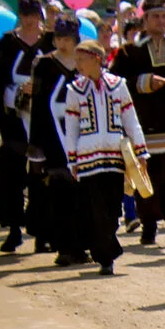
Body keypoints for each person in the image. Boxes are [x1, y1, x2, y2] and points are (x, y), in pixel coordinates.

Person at [110, 0, 165, 247]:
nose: (160, 21)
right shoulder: (128, 52)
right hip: (143, 126)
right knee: (146, 180)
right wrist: (142, 82)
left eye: (164, 16)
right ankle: (149, 226)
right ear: (144, 19)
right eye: (155, 16)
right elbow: (115, 85)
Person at [61, 39, 147, 275]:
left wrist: (140, 152)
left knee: (112, 206)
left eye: (81, 59)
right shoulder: (74, 90)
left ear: (96, 59)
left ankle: (107, 247)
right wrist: (72, 159)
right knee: (96, 207)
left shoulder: (118, 85)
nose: (77, 64)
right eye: (76, 60)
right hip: (88, 158)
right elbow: (72, 127)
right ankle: (106, 255)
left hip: (114, 157)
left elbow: (131, 120)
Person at [0, 0, 47, 253]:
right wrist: (11, 95)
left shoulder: (50, 41)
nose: (30, 20)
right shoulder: (7, 43)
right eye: (26, 15)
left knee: (41, 174)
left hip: (43, 119)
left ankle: (43, 230)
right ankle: (13, 229)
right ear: (20, 16)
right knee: (12, 174)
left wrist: (40, 88)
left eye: (34, 15)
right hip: (13, 117)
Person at [28, 16, 86, 262]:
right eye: (59, 38)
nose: (63, 43)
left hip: (84, 137)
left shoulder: (86, 62)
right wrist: (37, 146)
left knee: (83, 195)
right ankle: (63, 247)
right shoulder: (44, 64)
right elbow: (39, 105)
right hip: (53, 135)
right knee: (60, 194)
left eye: (68, 38)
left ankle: (82, 245)